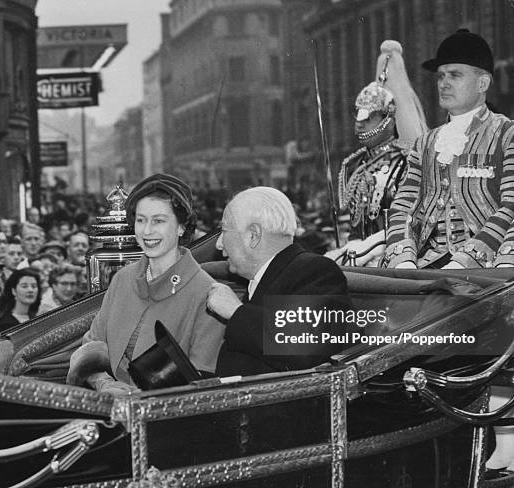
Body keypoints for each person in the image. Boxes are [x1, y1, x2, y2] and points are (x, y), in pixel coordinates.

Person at [68, 174, 225, 392]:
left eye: (158, 221)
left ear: (182, 226)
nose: (147, 231)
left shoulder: (207, 293)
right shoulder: (123, 279)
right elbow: (91, 348)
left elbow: (202, 384)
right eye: (141, 220)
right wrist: (105, 385)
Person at [385, 29, 514, 269]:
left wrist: (467, 261)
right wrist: (404, 261)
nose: (443, 83)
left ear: (482, 83)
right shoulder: (424, 144)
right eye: (440, 76)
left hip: (489, 269)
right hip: (428, 266)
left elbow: (512, 206)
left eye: (455, 75)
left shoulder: (507, 134)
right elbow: (402, 207)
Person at [206, 187, 349, 377]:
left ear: (253, 235)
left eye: (224, 231)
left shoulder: (315, 271)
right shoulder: (264, 276)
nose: (219, 244)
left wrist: (235, 311)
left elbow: (302, 344)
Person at [330, 40, 427, 267]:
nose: (360, 125)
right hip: (358, 259)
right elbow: (355, 224)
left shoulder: (406, 162)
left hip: (398, 257)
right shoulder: (355, 165)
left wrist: (366, 249)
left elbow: (410, 222)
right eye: (358, 116)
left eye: (369, 117)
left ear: (388, 119)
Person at [0, 268, 41, 334]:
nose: (30, 290)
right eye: (24, 286)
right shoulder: (4, 323)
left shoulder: (37, 319)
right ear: (14, 291)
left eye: (34, 286)